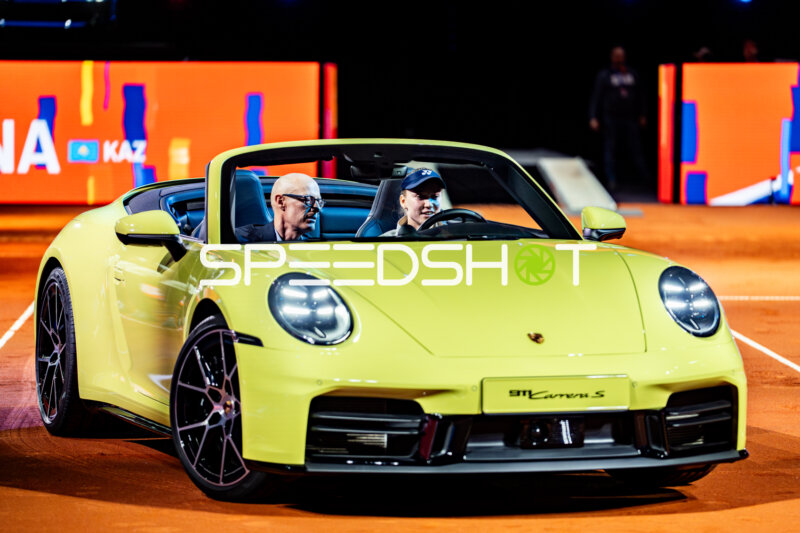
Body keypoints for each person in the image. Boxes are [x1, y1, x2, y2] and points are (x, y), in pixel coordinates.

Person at [589, 46, 649, 191]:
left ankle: (645, 182)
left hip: (630, 118)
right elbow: (596, 96)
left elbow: (641, 95)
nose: (619, 58)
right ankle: (611, 180)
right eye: (616, 55)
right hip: (611, 118)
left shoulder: (632, 74)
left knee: (636, 150)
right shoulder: (605, 75)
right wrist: (593, 116)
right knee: (610, 149)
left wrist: (643, 114)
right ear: (612, 57)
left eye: (621, 55)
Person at [236, 173, 323, 242]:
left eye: (318, 201)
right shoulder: (240, 241)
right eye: (308, 200)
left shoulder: (312, 248)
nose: (317, 208)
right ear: (281, 202)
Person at [382, 168, 446, 236]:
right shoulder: (385, 244)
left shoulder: (453, 236)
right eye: (420, 196)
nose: (428, 204)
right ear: (403, 201)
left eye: (435, 196)